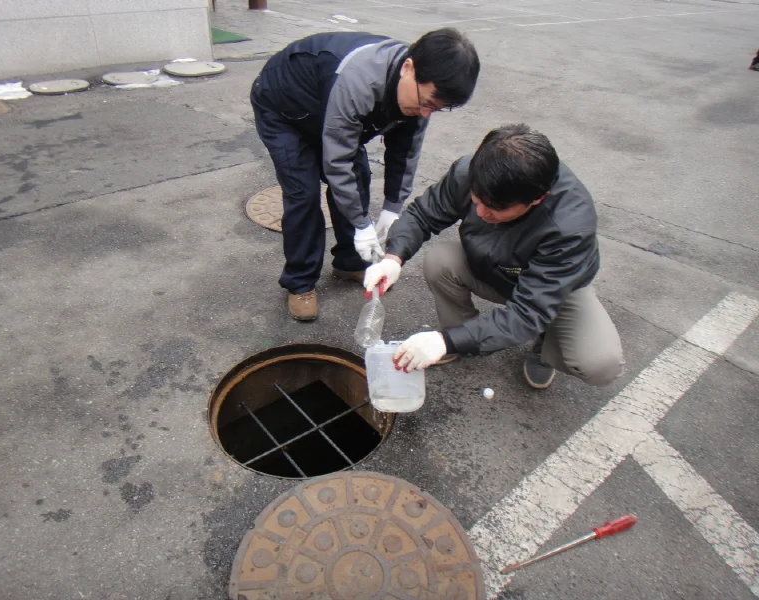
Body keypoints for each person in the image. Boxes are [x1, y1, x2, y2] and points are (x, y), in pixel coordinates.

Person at [363, 124, 625, 389]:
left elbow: (527, 312)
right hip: (497, 266)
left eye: (496, 209)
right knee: (439, 261)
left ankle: (543, 344)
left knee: (600, 364)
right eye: (477, 201)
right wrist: (393, 258)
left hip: (554, 288)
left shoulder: (569, 226)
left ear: (538, 198)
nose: (482, 213)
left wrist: (443, 340)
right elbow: (423, 214)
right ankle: (463, 338)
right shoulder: (473, 172)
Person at [250, 28, 480, 321]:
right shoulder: (360, 80)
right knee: (303, 192)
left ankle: (348, 261)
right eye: (426, 103)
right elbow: (337, 161)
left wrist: (392, 208)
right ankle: (300, 282)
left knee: (357, 180)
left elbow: (405, 151)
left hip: (331, 110)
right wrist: (362, 224)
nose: (426, 114)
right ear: (409, 68)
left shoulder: (420, 94)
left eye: (437, 109)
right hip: (286, 110)